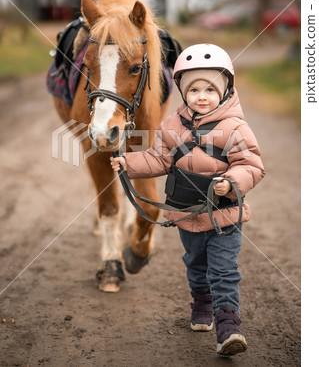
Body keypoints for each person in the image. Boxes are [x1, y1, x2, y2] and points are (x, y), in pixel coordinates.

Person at [111, 43, 265, 357]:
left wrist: (231, 183)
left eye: (210, 88)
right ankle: (202, 303)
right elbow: (158, 161)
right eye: (193, 89)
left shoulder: (235, 128)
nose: (202, 96)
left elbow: (252, 166)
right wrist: (130, 162)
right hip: (185, 216)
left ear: (225, 90)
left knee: (224, 270)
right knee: (195, 266)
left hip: (224, 216)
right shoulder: (170, 127)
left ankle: (228, 325)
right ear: (182, 91)